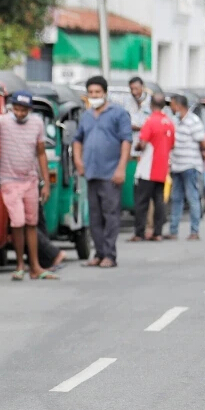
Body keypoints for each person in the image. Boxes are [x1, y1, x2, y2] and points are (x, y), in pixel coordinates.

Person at [0, 92, 57, 280]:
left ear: (29, 110)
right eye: (17, 109)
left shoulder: (37, 124)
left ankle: (35, 267)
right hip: (9, 181)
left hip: (30, 180)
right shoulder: (4, 121)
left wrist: (45, 183)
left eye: (24, 110)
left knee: (31, 224)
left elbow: (41, 153)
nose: (20, 113)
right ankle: (20, 265)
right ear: (11, 108)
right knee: (17, 222)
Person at [72, 76, 132, 268]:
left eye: (97, 92)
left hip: (111, 173)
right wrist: (78, 161)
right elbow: (77, 139)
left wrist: (121, 167)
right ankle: (98, 253)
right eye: (91, 93)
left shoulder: (118, 113)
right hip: (91, 172)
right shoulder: (87, 115)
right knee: (95, 216)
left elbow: (126, 141)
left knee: (111, 215)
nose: (94, 96)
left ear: (105, 93)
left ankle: (110, 255)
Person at [131, 92, 175, 241]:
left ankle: (139, 233)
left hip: (147, 169)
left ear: (151, 105)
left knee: (141, 202)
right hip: (162, 169)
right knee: (159, 201)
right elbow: (172, 144)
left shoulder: (150, 121)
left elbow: (142, 143)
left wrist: (137, 146)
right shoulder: (169, 122)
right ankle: (158, 232)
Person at [166, 94, 205, 241]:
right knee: (176, 199)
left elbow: (203, 143)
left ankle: (194, 231)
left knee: (192, 198)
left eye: (172, 105)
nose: (171, 108)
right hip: (177, 166)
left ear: (178, 105)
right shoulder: (175, 121)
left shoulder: (193, 121)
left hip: (190, 166)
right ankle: (173, 231)